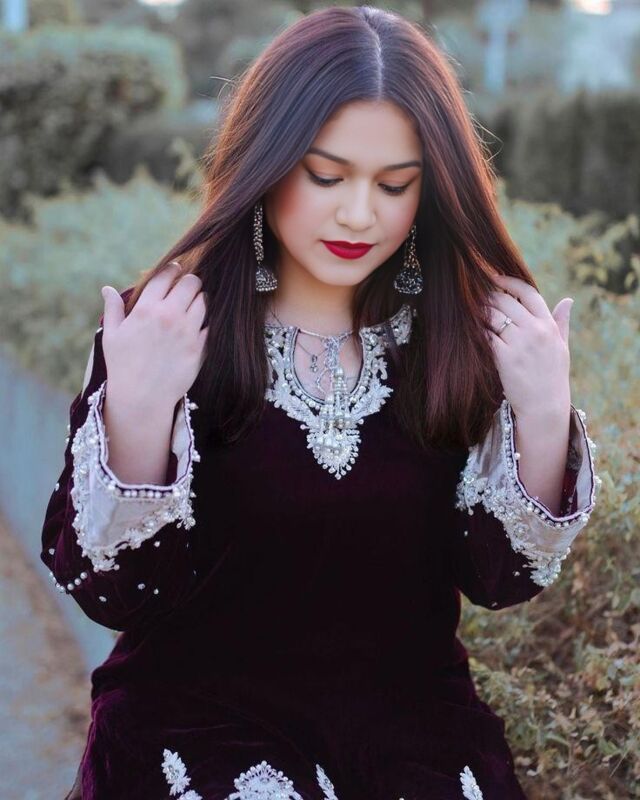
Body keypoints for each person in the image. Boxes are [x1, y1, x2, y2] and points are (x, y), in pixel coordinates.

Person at [42, 6, 599, 799]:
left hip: (416, 738)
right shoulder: (166, 330)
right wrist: (137, 410)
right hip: (194, 727)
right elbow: (112, 592)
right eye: (326, 176)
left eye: (395, 185)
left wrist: (542, 415)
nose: (359, 214)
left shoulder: (456, 341)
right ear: (266, 162)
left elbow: (498, 581)